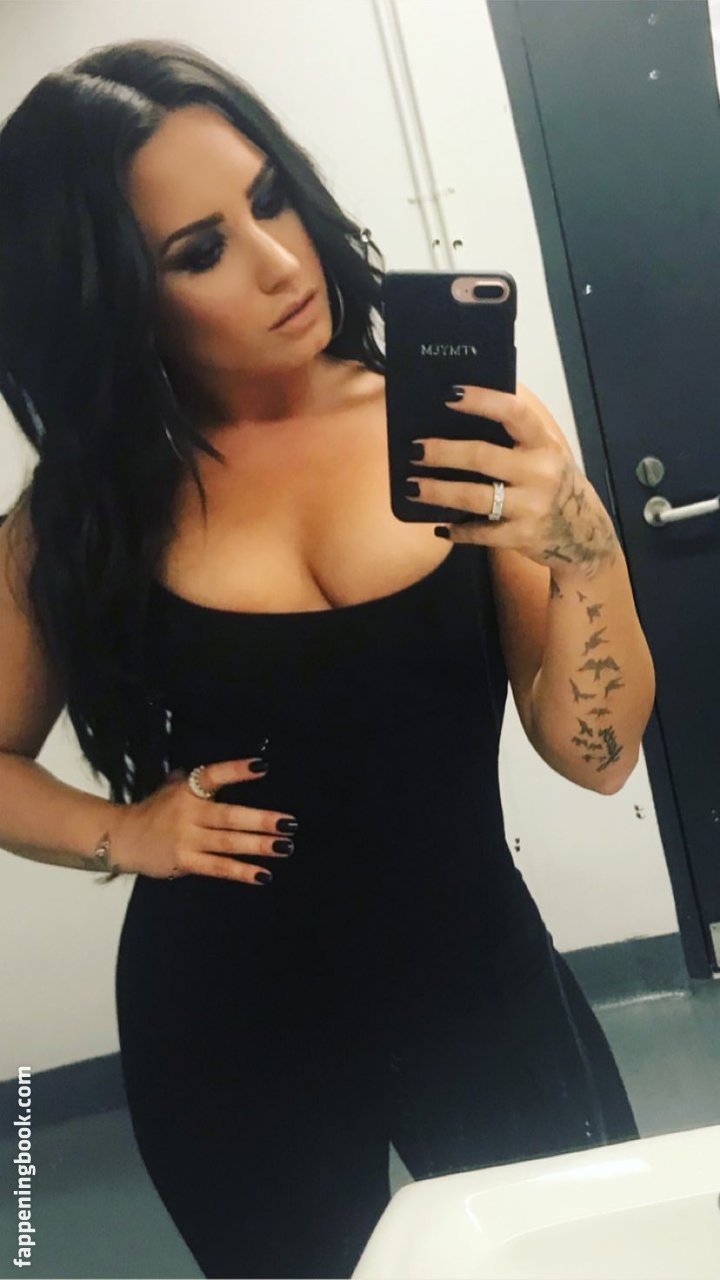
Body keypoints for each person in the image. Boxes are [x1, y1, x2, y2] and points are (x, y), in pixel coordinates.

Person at [0, 38, 656, 1280]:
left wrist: (583, 541)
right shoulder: (84, 516)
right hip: (226, 1018)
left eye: (271, 198)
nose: (281, 262)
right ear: (111, 299)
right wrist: (119, 832)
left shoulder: (461, 434)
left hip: (477, 976)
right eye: (199, 251)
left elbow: (598, 753)